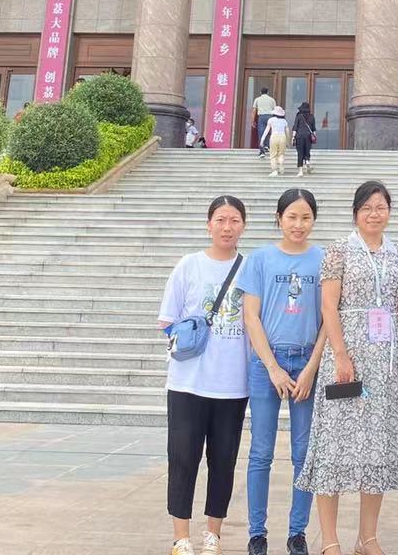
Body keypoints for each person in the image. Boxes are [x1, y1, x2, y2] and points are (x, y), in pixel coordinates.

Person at [297, 180, 398, 555]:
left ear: (389, 212)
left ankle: (367, 538)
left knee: (377, 446)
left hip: (386, 367)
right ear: (355, 213)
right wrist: (342, 354)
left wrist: (381, 345)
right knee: (334, 443)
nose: (374, 214)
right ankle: (330, 539)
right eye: (367, 208)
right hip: (344, 364)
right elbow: (328, 306)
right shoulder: (339, 250)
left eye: (380, 207)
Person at [159, 196, 251, 555]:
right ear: (208, 224)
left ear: (243, 225)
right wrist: (189, 338)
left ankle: (213, 533)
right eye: (221, 220)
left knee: (223, 460)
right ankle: (181, 537)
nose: (227, 227)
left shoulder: (250, 268)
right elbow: (167, 321)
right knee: (183, 458)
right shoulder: (189, 265)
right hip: (188, 383)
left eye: (234, 220)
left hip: (232, 384)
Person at [240, 189, 326, 555]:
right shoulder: (260, 259)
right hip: (267, 364)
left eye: (305, 217)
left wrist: (311, 368)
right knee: (261, 451)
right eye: (292, 216)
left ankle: (297, 533)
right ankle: (256, 533)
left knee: (304, 453)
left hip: (307, 362)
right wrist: (273, 367)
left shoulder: (323, 259)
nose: (298, 224)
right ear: (279, 218)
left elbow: (329, 319)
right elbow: (251, 317)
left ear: (314, 220)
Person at [263, 107, 291, 177]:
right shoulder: (284, 121)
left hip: (274, 136)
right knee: (281, 154)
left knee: (273, 155)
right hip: (282, 137)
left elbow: (267, 130)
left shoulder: (271, 120)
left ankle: (275, 171)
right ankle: (281, 165)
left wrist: (262, 139)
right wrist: (288, 142)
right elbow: (287, 132)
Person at [293, 102, 317, 178]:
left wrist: (293, 137)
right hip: (308, 136)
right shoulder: (312, 116)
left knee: (300, 153)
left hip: (299, 136)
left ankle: (300, 171)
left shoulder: (298, 116)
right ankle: (307, 161)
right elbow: (313, 129)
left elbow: (295, 127)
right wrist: (314, 137)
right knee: (307, 151)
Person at [253, 87, 277, 157]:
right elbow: (275, 110)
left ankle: (262, 151)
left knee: (261, 133)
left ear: (260, 92)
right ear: (268, 92)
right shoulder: (272, 100)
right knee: (269, 132)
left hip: (261, 117)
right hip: (270, 116)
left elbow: (254, 111)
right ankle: (267, 145)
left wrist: (253, 120)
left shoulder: (257, 99)